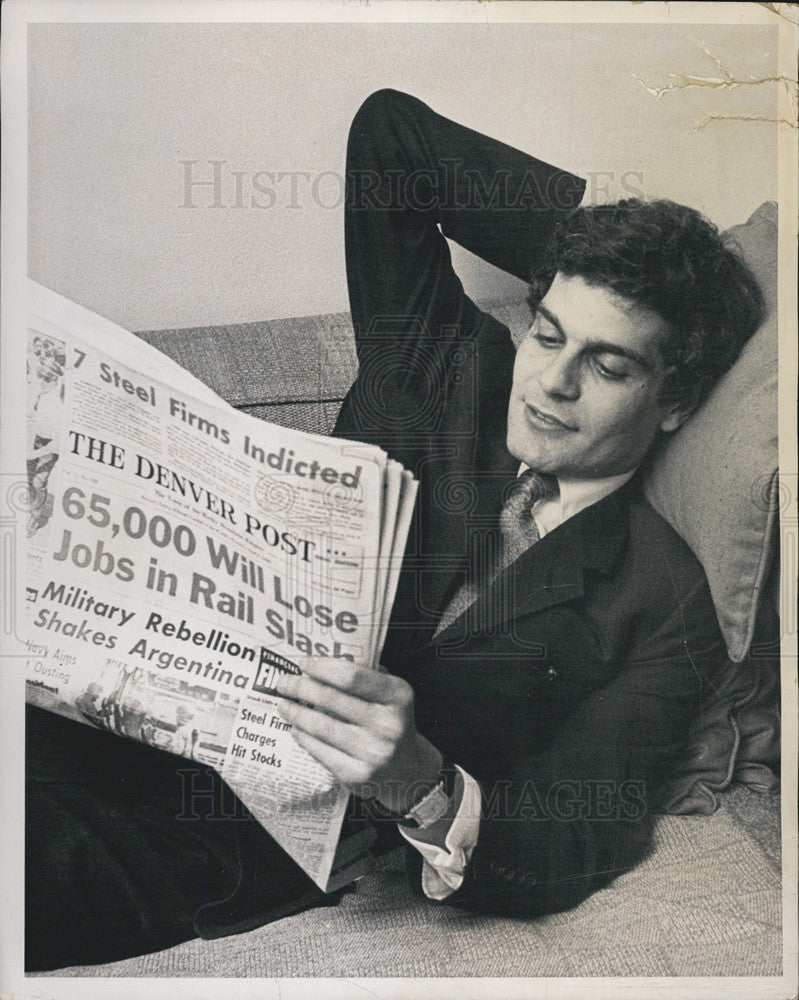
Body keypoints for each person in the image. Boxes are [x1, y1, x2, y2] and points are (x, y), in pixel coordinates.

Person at [25, 88, 764, 969]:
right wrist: (624, 255)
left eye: (605, 364)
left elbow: (576, 833)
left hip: (206, 836)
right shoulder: (446, 365)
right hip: (85, 703)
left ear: (676, 399)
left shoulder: (666, 598)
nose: (551, 385)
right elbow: (392, 135)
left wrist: (419, 781)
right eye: (547, 333)